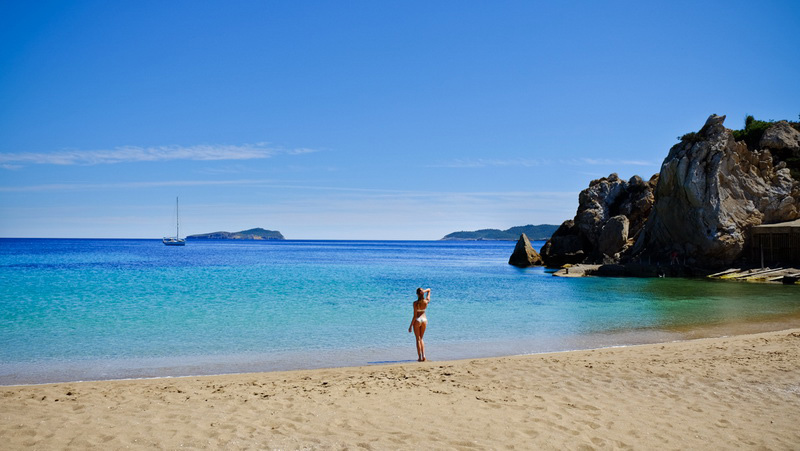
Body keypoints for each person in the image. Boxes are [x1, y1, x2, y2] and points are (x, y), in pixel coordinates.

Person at [408, 287, 431, 362]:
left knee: (418, 339)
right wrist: (425, 291)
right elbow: (429, 290)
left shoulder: (415, 303)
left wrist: (410, 326)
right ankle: (424, 356)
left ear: (417, 294)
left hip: (417, 320)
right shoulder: (426, 301)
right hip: (424, 320)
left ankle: (420, 357)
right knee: (421, 338)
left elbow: (414, 316)